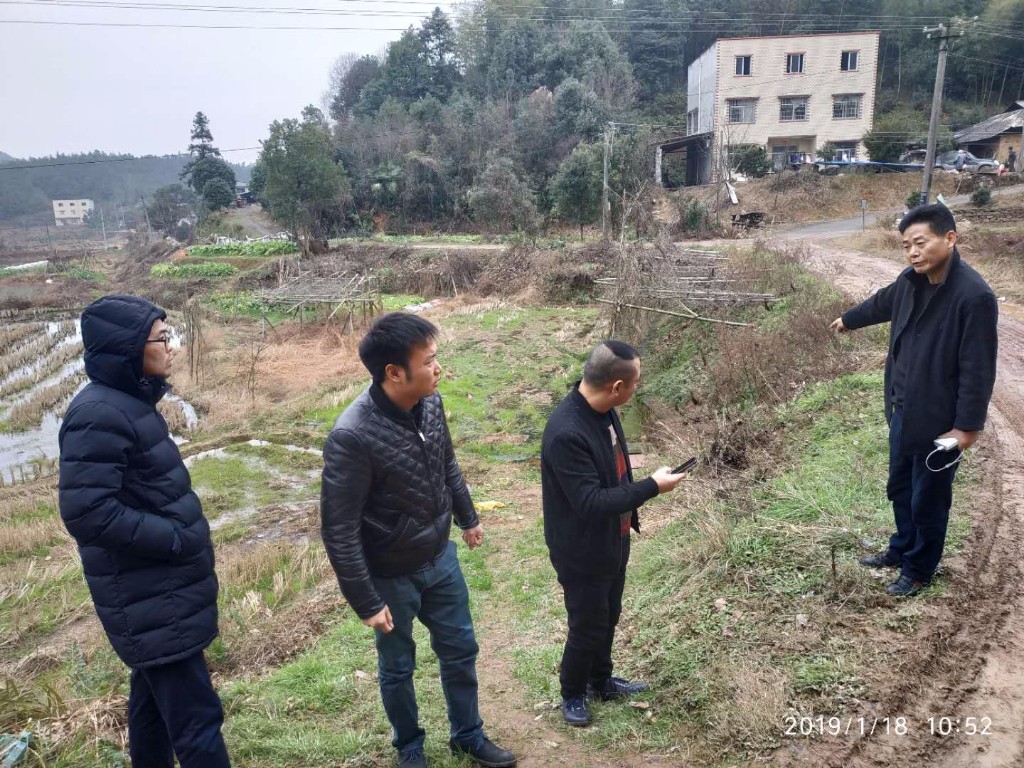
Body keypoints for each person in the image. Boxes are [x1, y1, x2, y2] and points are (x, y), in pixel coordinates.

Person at [320, 313, 516, 768]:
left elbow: (447, 464)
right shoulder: (352, 435)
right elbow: (339, 529)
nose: (438, 368)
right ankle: (409, 747)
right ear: (394, 372)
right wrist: (366, 602)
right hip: (391, 575)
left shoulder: (430, 402)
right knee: (397, 667)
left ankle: (468, 735)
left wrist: (468, 518)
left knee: (460, 651)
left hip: (440, 558)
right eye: (428, 361)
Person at [58, 295, 229, 767]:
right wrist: (174, 538)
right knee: (198, 722)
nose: (172, 347)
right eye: (162, 338)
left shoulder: (127, 404)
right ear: (129, 348)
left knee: (152, 710)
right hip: (151, 593)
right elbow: (87, 511)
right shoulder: (99, 413)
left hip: (157, 592)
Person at [830, 204, 998, 597]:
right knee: (900, 486)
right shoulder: (910, 282)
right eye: (906, 246)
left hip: (940, 420)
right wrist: (849, 319)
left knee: (929, 499)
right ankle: (902, 547)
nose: (913, 252)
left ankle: (919, 570)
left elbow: (978, 368)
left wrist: (967, 428)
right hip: (902, 408)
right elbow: (881, 303)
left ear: (950, 238)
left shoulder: (973, 296)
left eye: (920, 243)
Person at [540, 341, 686, 727]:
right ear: (617, 386)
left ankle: (601, 680)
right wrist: (652, 487)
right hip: (581, 548)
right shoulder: (566, 432)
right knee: (587, 623)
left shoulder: (604, 411)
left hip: (612, 538)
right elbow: (589, 502)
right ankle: (573, 693)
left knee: (609, 614)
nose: (637, 389)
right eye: (636, 382)